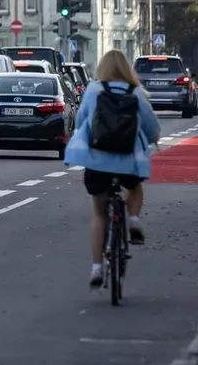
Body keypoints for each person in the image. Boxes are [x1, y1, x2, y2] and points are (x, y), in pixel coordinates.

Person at [64, 49, 162, 289]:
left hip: (98, 161)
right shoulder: (137, 93)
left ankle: (97, 268)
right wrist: (148, 140)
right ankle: (135, 220)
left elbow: (81, 122)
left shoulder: (94, 90)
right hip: (129, 161)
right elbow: (152, 129)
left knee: (99, 214)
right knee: (135, 188)